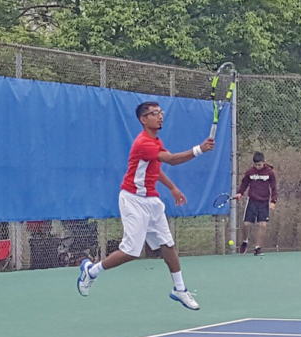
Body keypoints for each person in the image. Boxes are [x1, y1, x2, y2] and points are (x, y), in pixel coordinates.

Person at [76, 101, 214, 309]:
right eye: (154, 113)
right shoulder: (143, 143)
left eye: (161, 112)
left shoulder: (155, 142)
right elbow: (171, 160)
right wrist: (199, 150)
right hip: (133, 200)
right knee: (131, 252)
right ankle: (92, 271)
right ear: (143, 119)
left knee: (168, 245)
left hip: (152, 200)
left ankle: (179, 289)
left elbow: (155, 168)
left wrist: (172, 187)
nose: (160, 116)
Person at [235, 152, 277, 255]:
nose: (258, 167)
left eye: (259, 165)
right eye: (256, 165)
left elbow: (274, 187)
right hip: (252, 201)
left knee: (263, 225)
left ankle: (258, 248)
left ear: (263, 162)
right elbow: (244, 184)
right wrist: (240, 193)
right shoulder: (250, 172)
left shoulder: (270, 172)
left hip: (264, 202)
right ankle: (245, 241)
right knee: (246, 224)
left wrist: (273, 201)